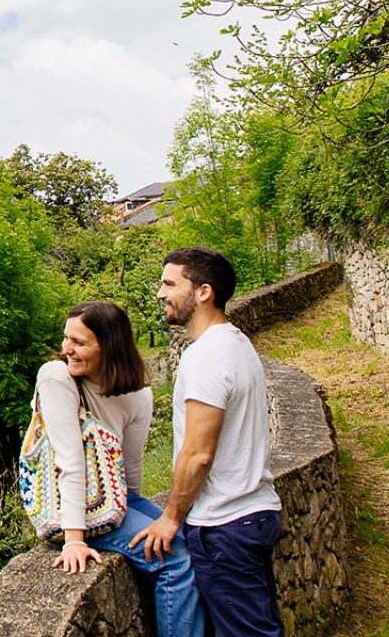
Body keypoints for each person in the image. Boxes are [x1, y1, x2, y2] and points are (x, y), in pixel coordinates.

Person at [131, 246, 284, 637]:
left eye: (169, 283)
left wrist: (170, 518)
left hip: (225, 526)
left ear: (203, 292)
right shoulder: (236, 343)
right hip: (252, 514)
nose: (161, 293)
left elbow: (198, 453)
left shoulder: (206, 357)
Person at [36, 301, 204, 637]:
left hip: (112, 496)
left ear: (109, 347)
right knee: (176, 561)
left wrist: (141, 516)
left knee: (190, 540)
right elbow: (69, 461)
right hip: (69, 505)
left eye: (79, 342)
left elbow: (129, 467)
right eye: (66, 338)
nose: (66, 349)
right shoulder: (57, 377)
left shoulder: (138, 393)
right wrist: (74, 540)